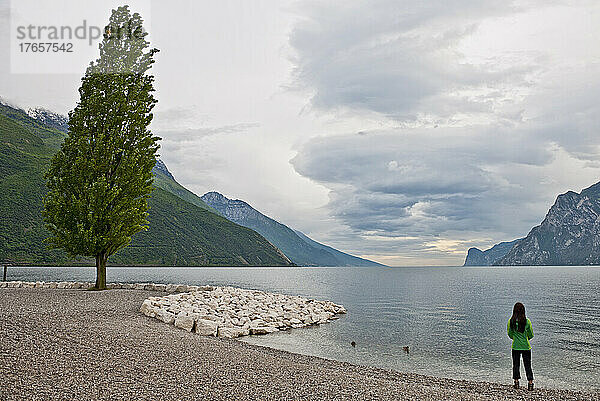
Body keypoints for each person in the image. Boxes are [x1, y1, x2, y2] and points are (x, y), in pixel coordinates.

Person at [507, 302, 534, 391]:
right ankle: (530, 383)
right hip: (526, 346)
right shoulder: (527, 321)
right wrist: (526, 338)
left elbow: (510, 334)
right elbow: (531, 334)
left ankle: (516, 382)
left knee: (516, 365)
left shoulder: (511, 321)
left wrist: (515, 338)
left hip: (515, 346)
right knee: (528, 365)